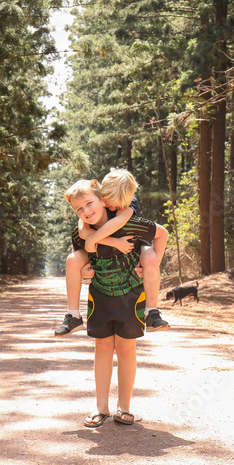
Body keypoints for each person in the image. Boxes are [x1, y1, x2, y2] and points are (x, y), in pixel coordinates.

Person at [63, 169, 158, 427]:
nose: (85, 211)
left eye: (90, 204)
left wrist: (150, 263)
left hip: (132, 295)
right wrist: (83, 269)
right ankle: (101, 409)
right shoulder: (82, 229)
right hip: (100, 296)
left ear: (104, 200)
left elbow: (160, 235)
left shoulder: (130, 219)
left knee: (127, 349)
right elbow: (78, 256)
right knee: (103, 349)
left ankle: (124, 407)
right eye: (79, 209)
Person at [54, 175, 169, 336]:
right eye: (79, 209)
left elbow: (122, 221)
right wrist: (82, 270)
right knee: (72, 260)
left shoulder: (127, 205)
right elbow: (82, 231)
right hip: (100, 249)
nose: (108, 204)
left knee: (150, 257)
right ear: (102, 195)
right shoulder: (91, 212)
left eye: (109, 201)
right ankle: (74, 316)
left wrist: (154, 264)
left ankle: (151, 312)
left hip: (135, 244)